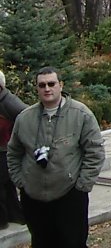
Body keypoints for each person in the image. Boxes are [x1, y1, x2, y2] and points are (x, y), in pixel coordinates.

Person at [8, 67, 105, 248]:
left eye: (51, 84)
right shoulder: (24, 118)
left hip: (69, 194)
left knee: (73, 242)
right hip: (34, 197)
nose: (47, 89)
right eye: (42, 85)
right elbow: (13, 152)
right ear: (37, 88)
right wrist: (21, 181)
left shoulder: (81, 114)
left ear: (61, 85)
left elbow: (95, 151)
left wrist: (82, 186)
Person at [0, 71, 28, 228]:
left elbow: (28, 117)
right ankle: (16, 215)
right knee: (7, 186)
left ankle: (2, 220)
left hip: (6, 151)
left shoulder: (10, 102)